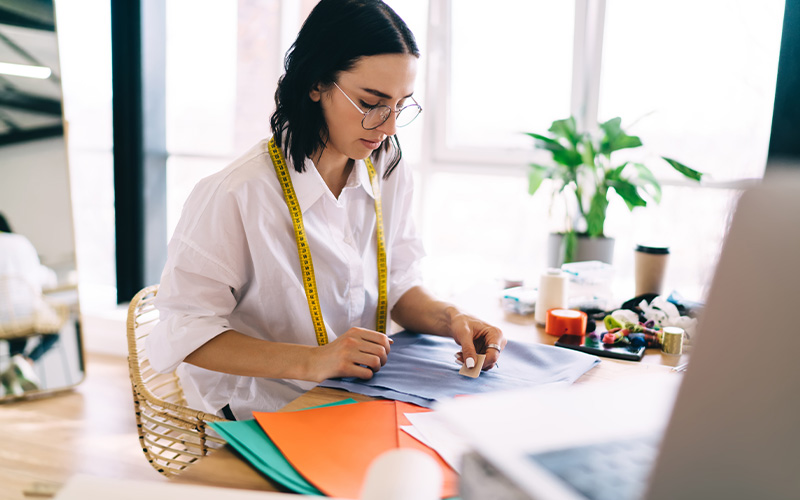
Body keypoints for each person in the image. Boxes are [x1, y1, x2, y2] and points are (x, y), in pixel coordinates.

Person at [147, 0, 505, 420]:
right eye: (371, 102)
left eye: (401, 105)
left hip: (353, 395)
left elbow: (401, 286)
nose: (389, 127)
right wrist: (314, 360)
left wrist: (452, 318)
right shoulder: (235, 194)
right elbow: (184, 331)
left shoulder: (386, 169)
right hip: (262, 407)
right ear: (316, 83)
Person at [0, 212, 60, 396]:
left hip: (2, 319)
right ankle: (26, 362)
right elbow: (41, 276)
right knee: (53, 333)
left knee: (14, 332)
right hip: (27, 312)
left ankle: (14, 371)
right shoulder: (21, 242)